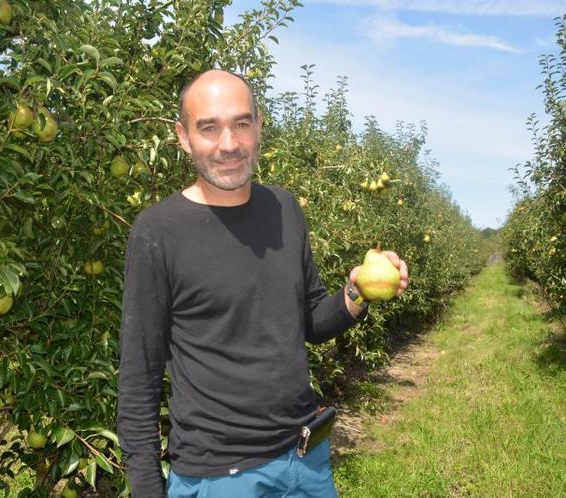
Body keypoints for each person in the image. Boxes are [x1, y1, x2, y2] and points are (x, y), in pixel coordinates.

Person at [117, 69, 409, 498]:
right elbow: (139, 375)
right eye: (209, 128)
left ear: (259, 126)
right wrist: (146, 487)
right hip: (221, 477)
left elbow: (309, 321)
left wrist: (357, 291)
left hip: (305, 461)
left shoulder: (284, 208)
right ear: (183, 137)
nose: (229, 143)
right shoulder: (159, 231)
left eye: (241, 123)